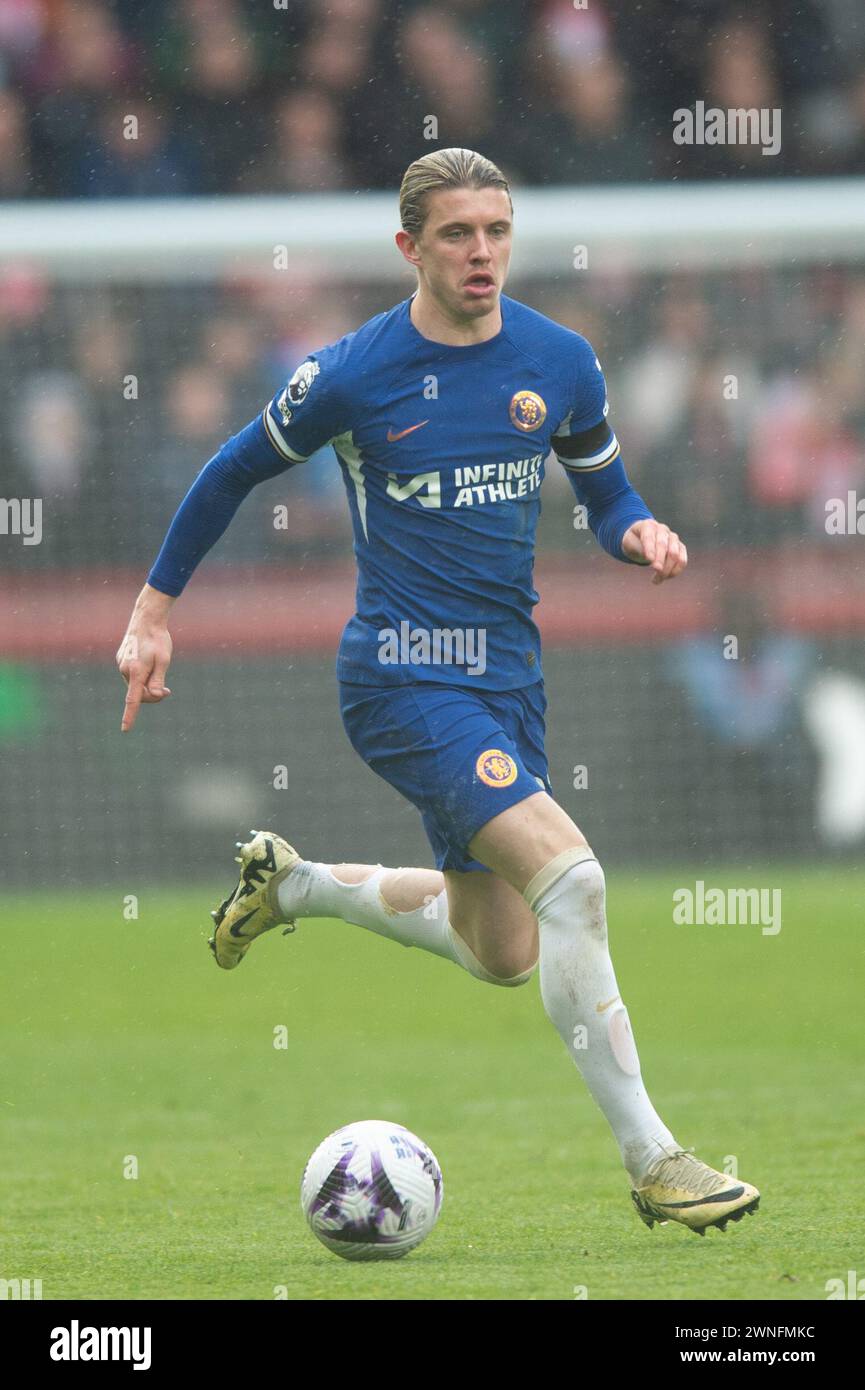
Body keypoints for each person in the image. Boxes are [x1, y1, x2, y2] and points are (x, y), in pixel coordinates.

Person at [116, 148, 759, 1236]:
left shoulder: (558, 359)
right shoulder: (353, 372)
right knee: (577, 882)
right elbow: (229, 470)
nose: (482, 254)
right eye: (458, 234)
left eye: (498, 231)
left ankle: (298, 886)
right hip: (403, 675)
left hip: (509, 679)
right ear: (409, 247)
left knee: (504, 950)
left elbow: (604, 491)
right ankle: (655, 1160)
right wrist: (150, 612)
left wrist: (636, 531)